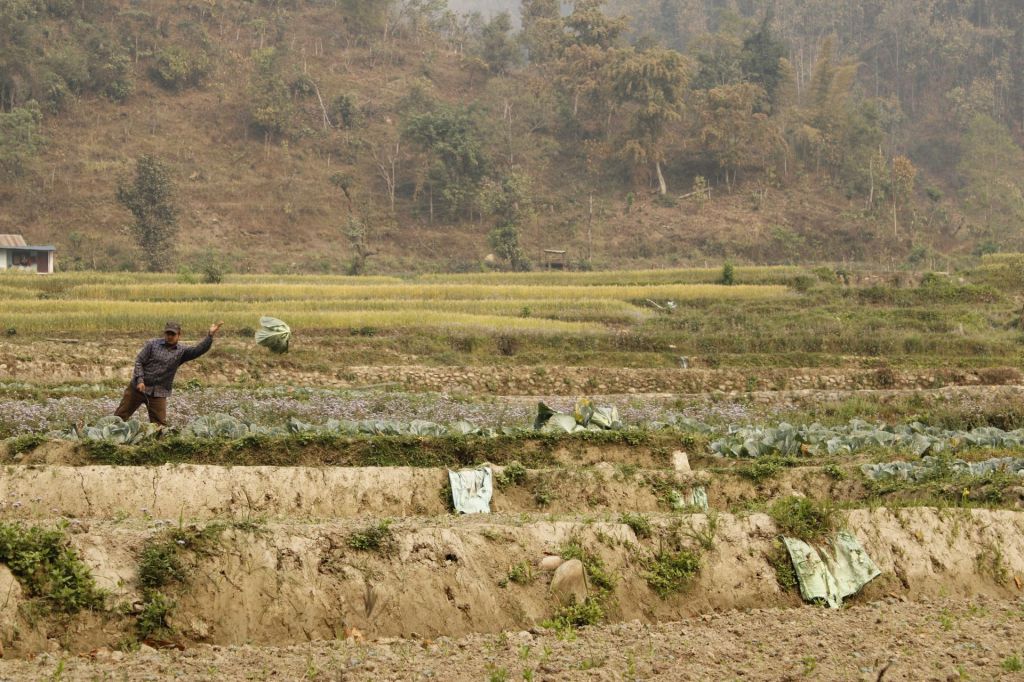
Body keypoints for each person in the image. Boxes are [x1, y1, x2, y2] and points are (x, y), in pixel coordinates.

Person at [114, 320, 223, 426]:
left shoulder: (182, 351)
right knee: (120, 416)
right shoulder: (152, 344)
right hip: (138, 389)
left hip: (159, 392)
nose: (169, 336)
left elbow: (198, 350)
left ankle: (157, 439)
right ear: (164, 333)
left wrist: (210, 336)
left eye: (173, 334)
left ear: (179, 335)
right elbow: (139, 361)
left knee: (159, 425)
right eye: (168, 333)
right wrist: (140, 380)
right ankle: (109, 436)